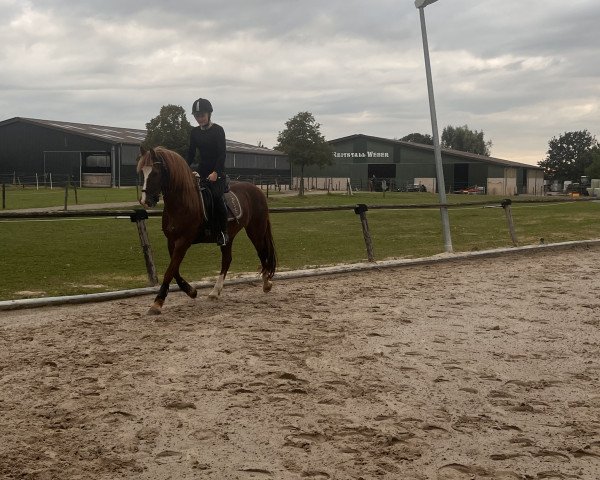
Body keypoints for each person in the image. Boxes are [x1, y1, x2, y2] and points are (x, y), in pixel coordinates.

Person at [186, 98, 229, 246]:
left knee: (216, 197)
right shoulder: (194, 133)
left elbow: (222, 154)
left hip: (218, 172)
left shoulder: (218, 130)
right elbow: (191, 154)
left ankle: (223, 232)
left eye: (202, 115)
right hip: (202, 171)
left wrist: (216, 172)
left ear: (209, 114)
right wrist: (186, 169)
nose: (200, 118)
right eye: (197, 116)